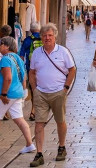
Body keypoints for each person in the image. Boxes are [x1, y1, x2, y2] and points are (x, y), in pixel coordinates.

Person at [0, 37, 36, 154]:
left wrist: (3, 94)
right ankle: (29, 144)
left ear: (7, 46)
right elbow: (23, 77)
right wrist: (23, 91)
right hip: (17, 93)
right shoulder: (17, 58)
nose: (0, 46)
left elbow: (7, 78)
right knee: (19, 119)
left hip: (6, 94)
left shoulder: (5, 60)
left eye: (2, 44)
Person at [28, 23, 76, 166]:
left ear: (55, 36)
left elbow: (72, 70)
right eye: (44, 36)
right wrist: (34, 89)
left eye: (50, 35)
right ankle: (39, 154)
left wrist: (65, 88)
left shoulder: (63, 52)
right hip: (41, 93)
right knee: (39, 124)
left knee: (60, 121)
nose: (47, 38)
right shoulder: (37, 53)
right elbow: (31, 72)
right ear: (41, 37)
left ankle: (61, 147)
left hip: (58, 92)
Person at [19, 22, 43, 121]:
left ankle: (33, 110)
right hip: (42, 68)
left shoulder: (27, 40)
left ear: (31, 30)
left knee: (33, 88)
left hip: (31, 68)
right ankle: (39, 110)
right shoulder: (43, 39)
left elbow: (21, 56)